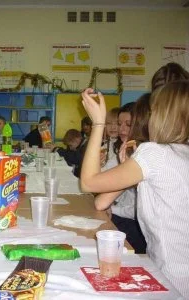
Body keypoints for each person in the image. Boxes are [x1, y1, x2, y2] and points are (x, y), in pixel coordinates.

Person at [80, 82, 189, 297]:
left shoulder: (155, 154)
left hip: (174, 276)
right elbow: (101, 202)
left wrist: (99, 124)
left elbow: (88, 183)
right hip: (168, 266)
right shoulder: (179, 153)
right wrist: (125, 167)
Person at [95, 98, 148, 254]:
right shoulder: (124, 148)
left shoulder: (144, 154)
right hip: (124, 213)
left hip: (137, 225)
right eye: (120, 124)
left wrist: (113, 209)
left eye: (128, 124)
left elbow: (138, 209)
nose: (122, 129)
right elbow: (103, 180)